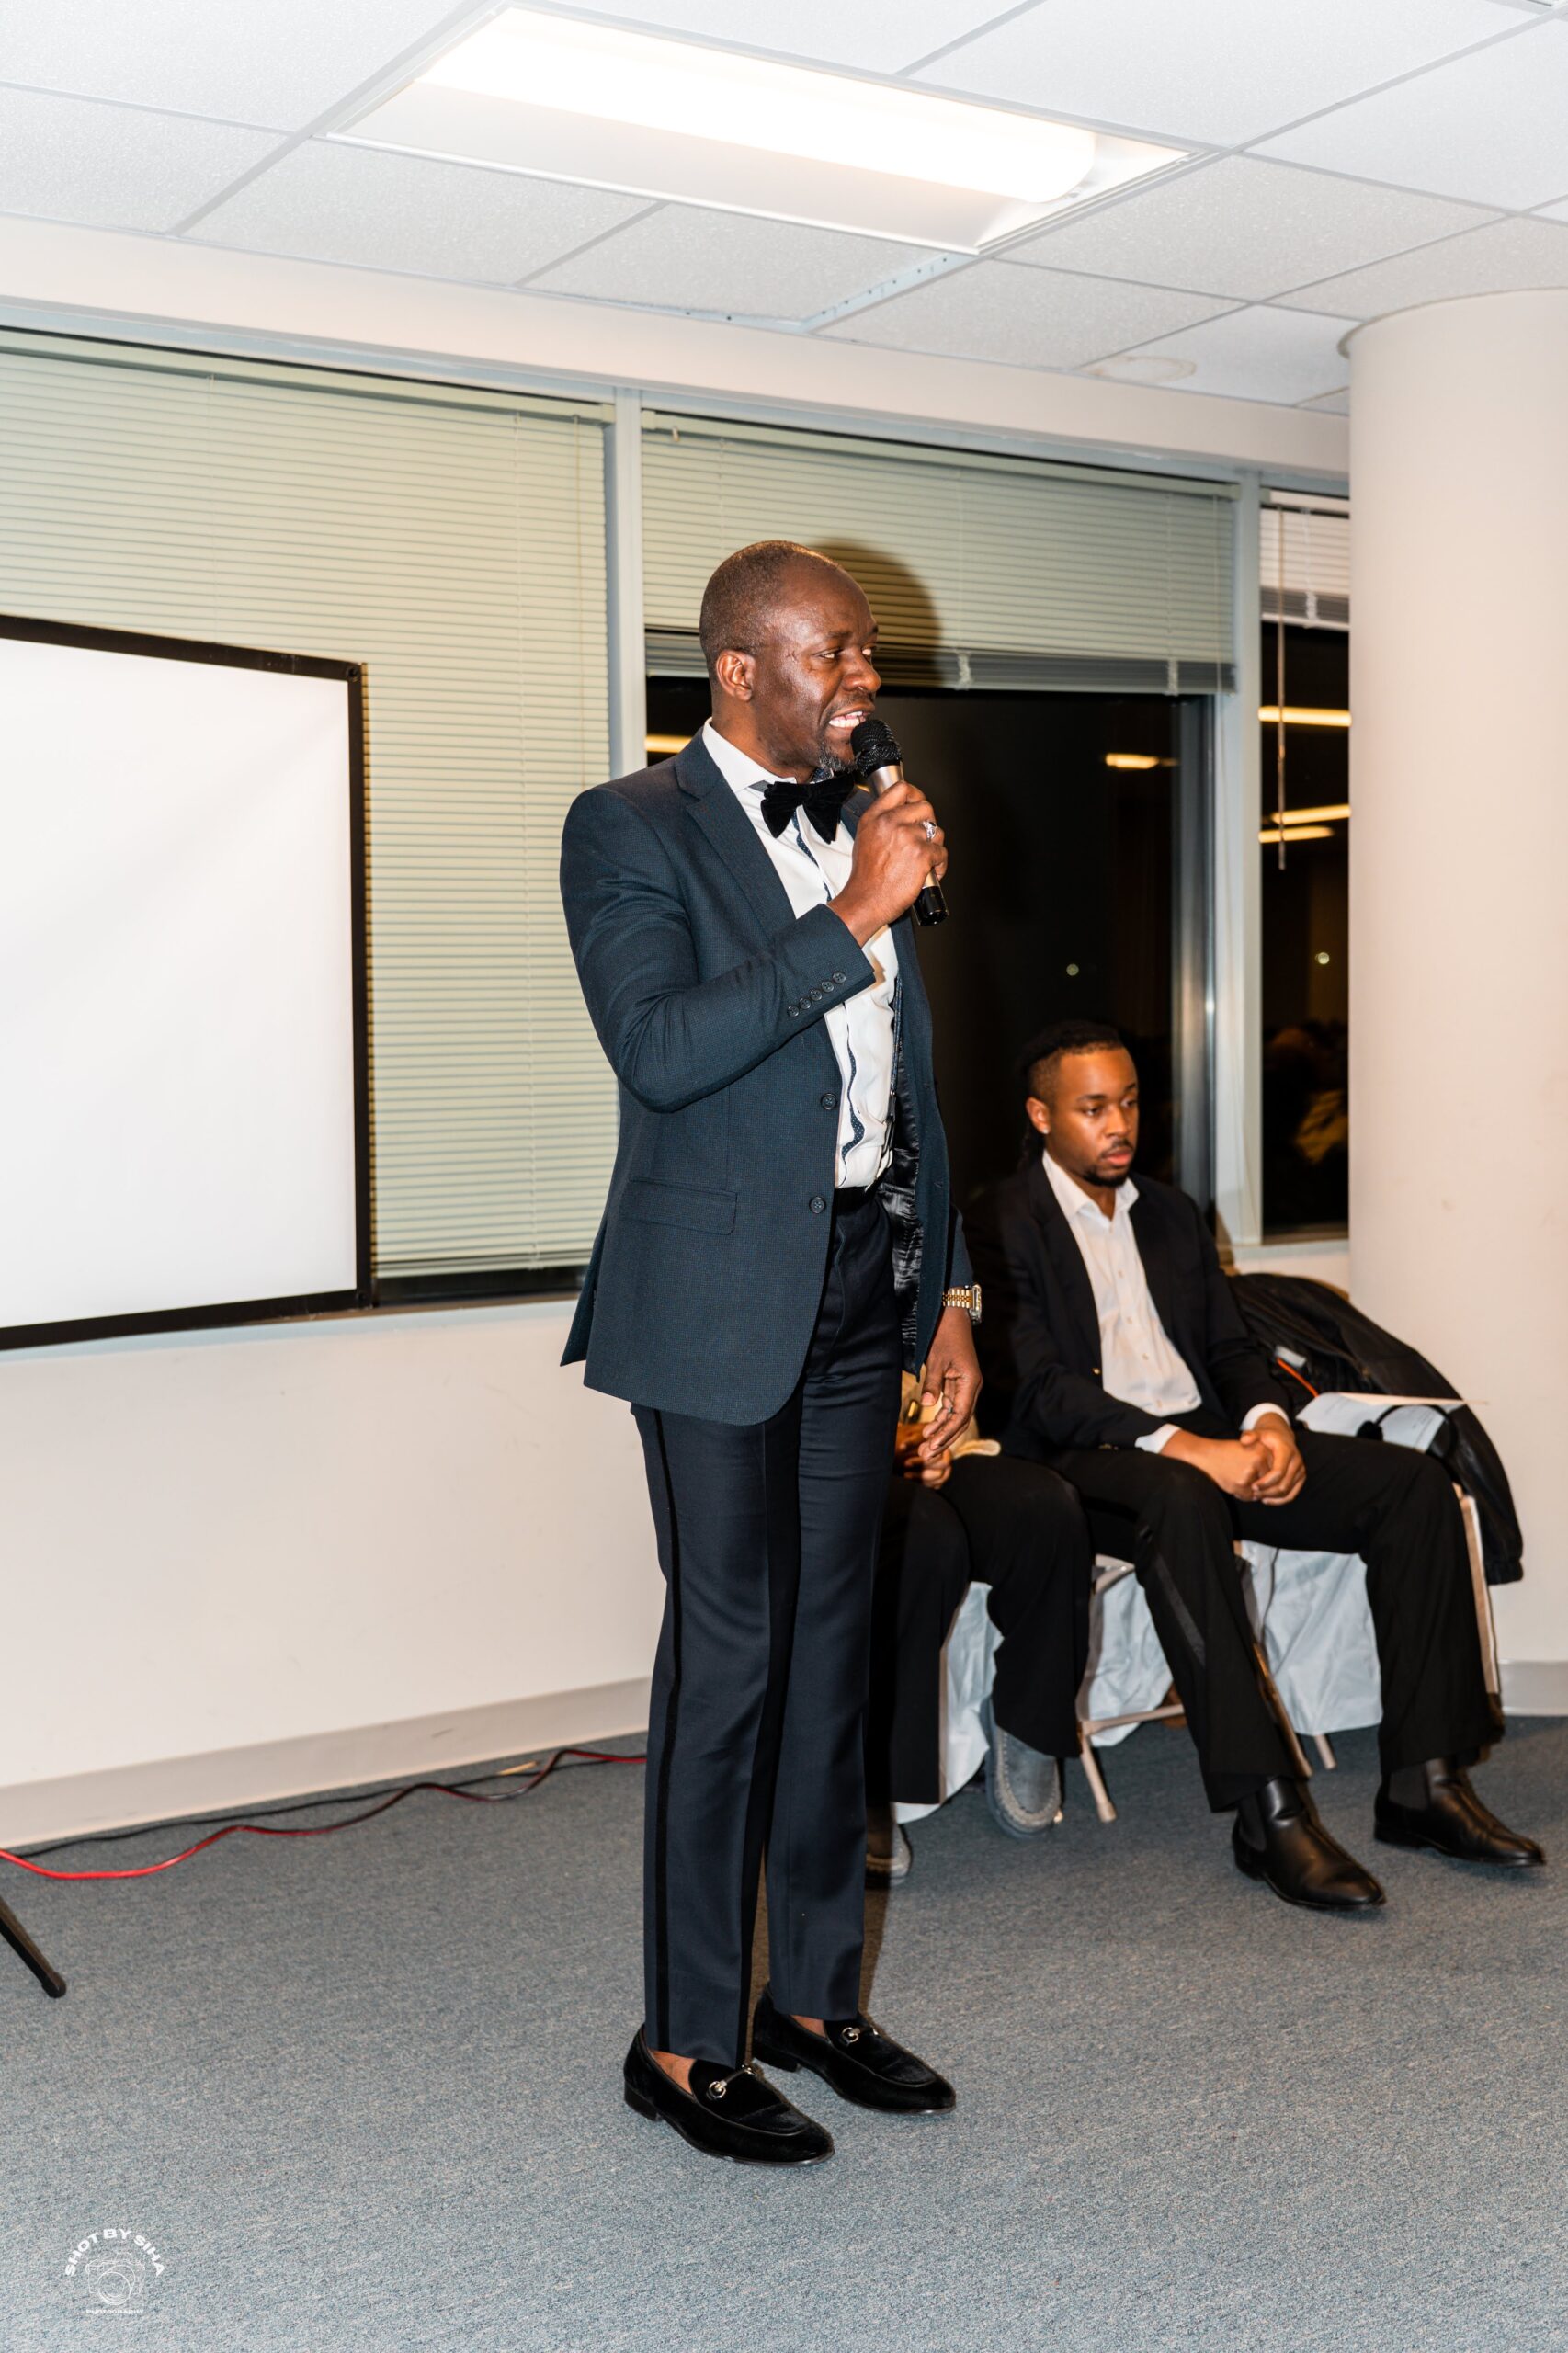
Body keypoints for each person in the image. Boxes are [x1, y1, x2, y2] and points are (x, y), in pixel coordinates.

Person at [560, 540, 983, 2166]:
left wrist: (949, 1297)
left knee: (832, 1653)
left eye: (867, 653)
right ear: (739, 669)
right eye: (834, 654)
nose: (861, 681)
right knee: (730, 1658)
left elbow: (907, 1087)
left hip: (861, 1284)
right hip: (714, 1298)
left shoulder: (867, 818)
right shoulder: (629, 826)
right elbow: (660, 1049)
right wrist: (854, 911)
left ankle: (810, 1998)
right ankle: (682, 2038)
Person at [967, 1017, 1542, 1912]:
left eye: (1128, 1103)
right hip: (1087, 1459)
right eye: (1092, 1108)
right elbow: (1038, 1387)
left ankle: (1422, 1783)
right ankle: (1264, 1811)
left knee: (1411, 1486)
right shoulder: (998, 1219)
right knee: (1181, 1495)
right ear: (1041, 1116)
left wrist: (1268, 1424)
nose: (1119, 1125)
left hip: (1206, 1439)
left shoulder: (1169, 1212)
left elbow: (1230, 1349)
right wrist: (1192, 1450)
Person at [866, 1377, 1091, 1873]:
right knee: (926, 1536)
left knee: (1046, 1507)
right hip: (836, 1464)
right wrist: (885, 1446)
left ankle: (1030, 1723)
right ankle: (865, 1781)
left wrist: (939, 1440)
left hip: (940, 1450)